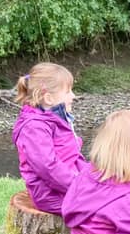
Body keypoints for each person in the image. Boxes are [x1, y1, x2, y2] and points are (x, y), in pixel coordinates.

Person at [12, 62, 87, 214]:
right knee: (106, 209)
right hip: (51, 196)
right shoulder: (34, 128)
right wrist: (79, 186)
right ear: (48, 98)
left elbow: (72, 157)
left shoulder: (54, 120)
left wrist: (93, 176)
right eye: (68, 92)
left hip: (67, 187)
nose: (73, 96)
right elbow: (47, 167)